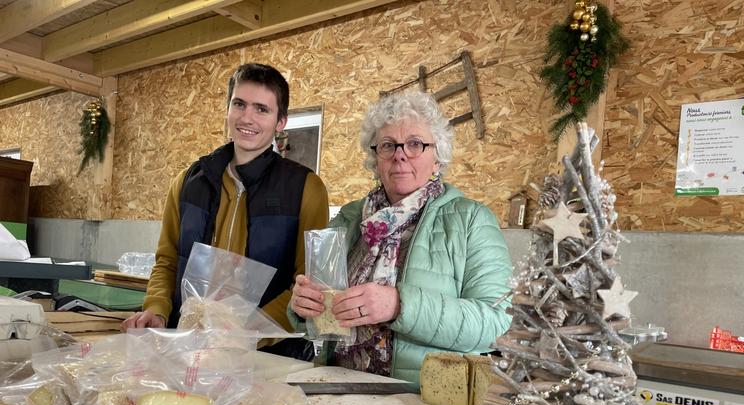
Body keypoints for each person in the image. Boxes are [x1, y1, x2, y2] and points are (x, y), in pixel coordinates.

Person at [289, 91, 512, 384]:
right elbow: (318, 316)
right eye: (388, 145)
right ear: (376, 159)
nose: (400, 154)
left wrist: (398, 306)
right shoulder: (350, 218)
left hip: (426, 399)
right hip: (339, 388)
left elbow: (497, 325)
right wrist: (303, 308)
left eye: (415, 144)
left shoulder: (471, 220)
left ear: (437, 158)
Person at [123, 63, 329, 360]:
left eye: (262, 109)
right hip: (188, 350)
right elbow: (168, 261)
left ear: (280, 122)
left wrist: (248, 331)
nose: (247, 117)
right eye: (239, 104)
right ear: (228, 109)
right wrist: (156, 310)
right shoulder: (187, 183)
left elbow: (307, 282)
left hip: (268, 356)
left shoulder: (306, 188)